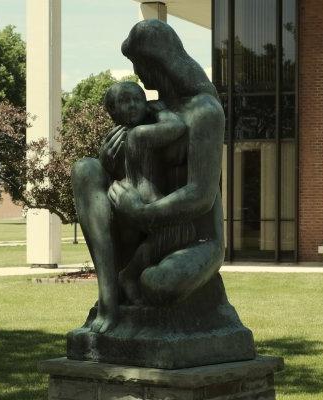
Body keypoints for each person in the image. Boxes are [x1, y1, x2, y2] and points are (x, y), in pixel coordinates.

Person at [72, 20, 225, 333]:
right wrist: (108, 155)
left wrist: (143, 212)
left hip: (193, 236)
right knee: (85, 170)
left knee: (157, 284)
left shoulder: (205, 111)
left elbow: (201, 195)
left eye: (138, 65)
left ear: (157, 63)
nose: (138, 75)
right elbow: (127, 170)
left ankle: (136, 282)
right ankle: (108, 299)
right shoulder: (149, 109)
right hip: (142, 228)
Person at [103, 81, 196, 305]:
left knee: (179, 232)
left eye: (139, 99)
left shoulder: (123, 135)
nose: (134, 105)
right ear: (113, 110)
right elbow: (177, 128)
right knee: (184, 230)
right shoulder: (139, 134)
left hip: (141, 197)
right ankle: (129, 275)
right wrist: (162, 111)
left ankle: (129, 275)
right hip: (141, 200)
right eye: (126, 101)